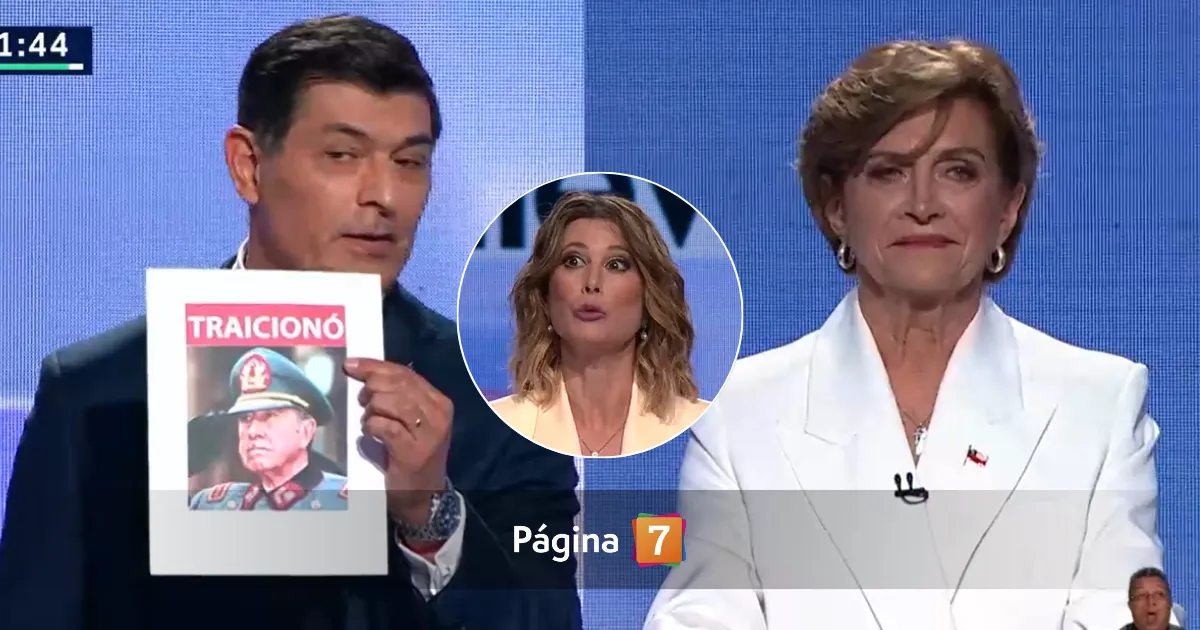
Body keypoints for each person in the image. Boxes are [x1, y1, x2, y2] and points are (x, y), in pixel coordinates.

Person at [0, 15, 582, 630]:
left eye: (410, 162)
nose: (385, 196)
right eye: (342, 155)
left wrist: (430, 515)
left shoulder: (505, 403)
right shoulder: (97, 392)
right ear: (248, 166)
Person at [645, 40, 1177, 630]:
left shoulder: (1098, 404)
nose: (923, 204)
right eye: (889, 172)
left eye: (958, 171)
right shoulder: (740, 413)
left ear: (1007, 208)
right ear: (837, 207)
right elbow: (701, 616)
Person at [489, 191, 708, 457]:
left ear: (649, 297)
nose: (592, 283)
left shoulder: (702, 428)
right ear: (545, 295)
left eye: (616, 264)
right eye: (573, 261)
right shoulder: (499, 429)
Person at [189, 348, 348, 511]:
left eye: (270, 416)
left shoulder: (344, 501)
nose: (253, 431)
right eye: (246, 418)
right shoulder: (213, 504)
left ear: (306, 431)